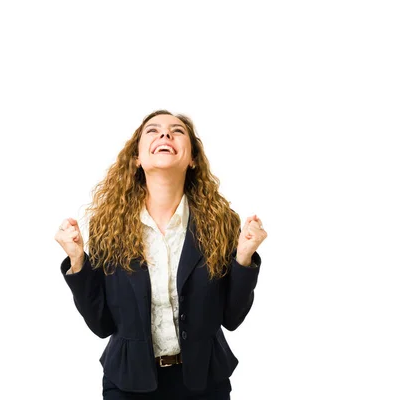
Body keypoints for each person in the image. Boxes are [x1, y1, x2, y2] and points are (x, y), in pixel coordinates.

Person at [55, 110, 267, 399]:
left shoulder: (220, 223)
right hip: (129, 384)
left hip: (203, 382)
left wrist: (243, 258)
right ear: (137, 158)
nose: (165, 134)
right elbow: (101, 324)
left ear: (192, 159)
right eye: (153, 131)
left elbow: (231, 317)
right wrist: (78, 261)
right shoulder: (110, 227)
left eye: (177, 131)